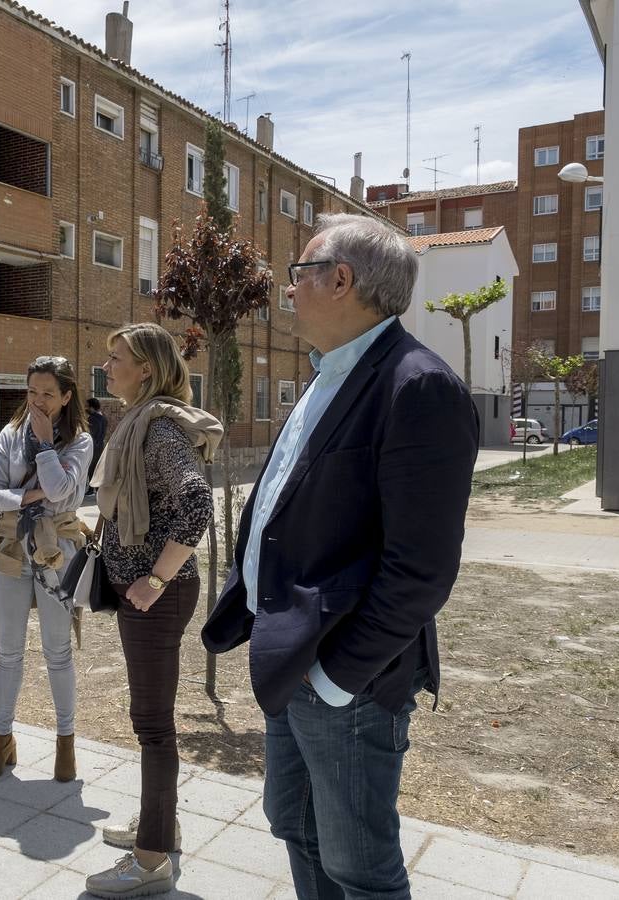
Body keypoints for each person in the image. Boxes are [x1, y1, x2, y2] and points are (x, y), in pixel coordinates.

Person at [202, 214, 479, 900]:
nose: (287, 290)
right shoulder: (330, 374)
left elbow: (421, 571)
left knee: (361, 867)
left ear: (341, 280)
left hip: (345, 680)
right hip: (290, 659)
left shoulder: (417, 387)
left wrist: (333, 678)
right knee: (294, 825)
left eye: (298, 274)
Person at [84, 323, 222, 899]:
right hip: (142, 592)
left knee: (153, 727)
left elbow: (196, 502)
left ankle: (150, 861)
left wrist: (157, 578)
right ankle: (162, 825)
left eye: (117, 358)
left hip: (156, 598)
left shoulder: (160, 427)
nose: (107, 365)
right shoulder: (140, 421)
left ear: (146, 368)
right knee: (151, 722)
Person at [0, 355, 92, 782]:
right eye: (32, 392)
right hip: (12, 551)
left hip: (58, 553)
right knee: (8, 652)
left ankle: (66, 742)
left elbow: (60, 491)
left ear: (67, 396)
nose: (38, 401)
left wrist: (43, 446)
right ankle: (1, 740)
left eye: (49, 394)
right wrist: (26, 498)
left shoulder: (79, 442)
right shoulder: (9, 434)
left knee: (57, 652)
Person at [84, 396, 107, 498]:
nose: (86, 408)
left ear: (92, 407)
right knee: (97, 467)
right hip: (100, 446)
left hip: (92, 446)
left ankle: (90, 489)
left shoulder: (92, 418)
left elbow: (90, 434)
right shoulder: (104, 418)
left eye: (87, 406)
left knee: (91, 468)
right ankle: (97, 489)